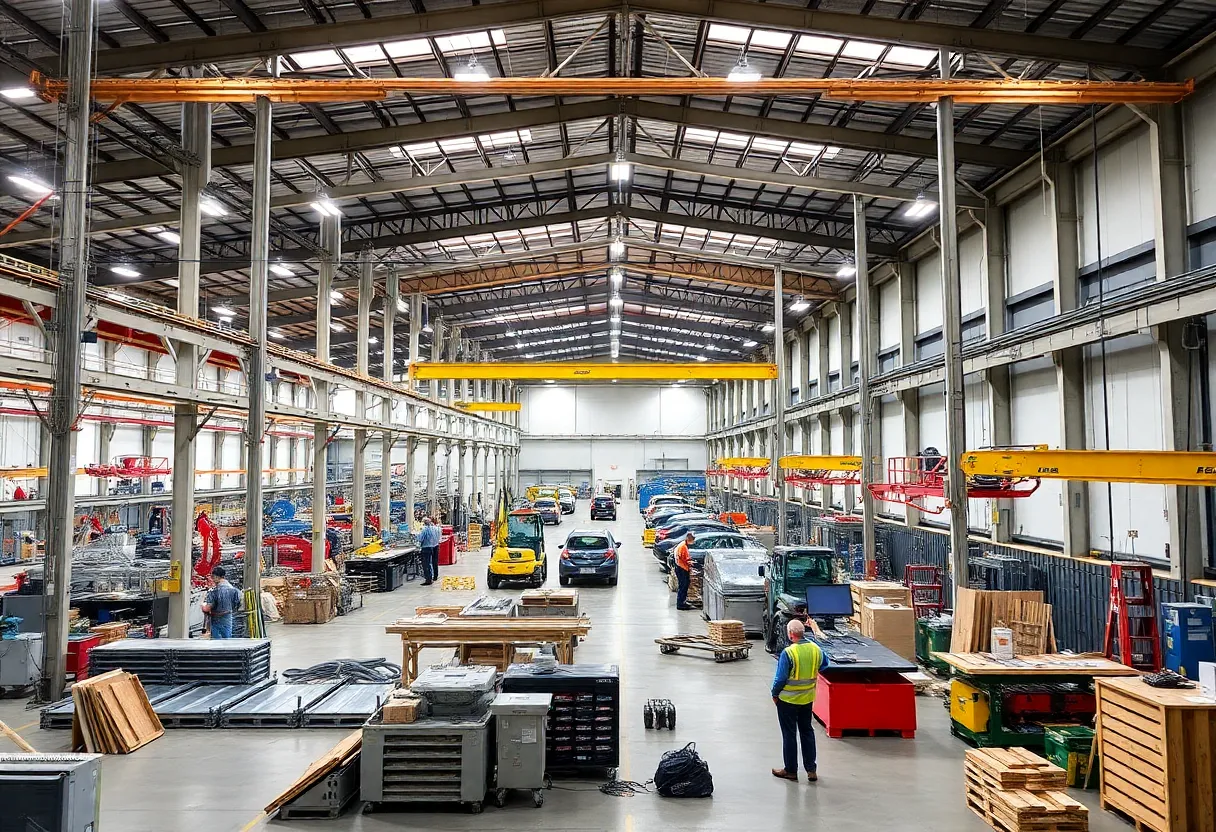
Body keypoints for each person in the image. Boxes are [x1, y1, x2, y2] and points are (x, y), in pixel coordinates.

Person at [770, 618, 830, 783]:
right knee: (807, 731)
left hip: (787, 701)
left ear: (790, 634)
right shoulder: (816, 649)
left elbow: (780, 679)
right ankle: (811, 769)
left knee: (789, 734)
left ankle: (791, 770)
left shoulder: (789, 653)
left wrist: (775, 694)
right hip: (807, 699)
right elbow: (825, 664)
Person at [203, 566, 243, 640]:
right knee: (227, 639)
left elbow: (207, 608)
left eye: (213, 577)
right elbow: (239, 603)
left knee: (217, 642)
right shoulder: (234, 590)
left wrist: (203, 606)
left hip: (216, 619)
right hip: (228, 618)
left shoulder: (214, 591)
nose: (212, 579)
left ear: (216, 577)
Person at [673, 532, 694, 611]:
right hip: (682, 568)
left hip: (680, 567)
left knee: (683, 585)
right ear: (689, 539)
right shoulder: (683, 547)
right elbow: (686, 559)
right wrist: (691, 563)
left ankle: (682, 601)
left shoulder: (682, 545)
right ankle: (681, 604)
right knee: (683, 585)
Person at [417, 516, 441, 585]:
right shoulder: (436, 528)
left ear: (424, 523)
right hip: (435, 546)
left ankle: (428, 579)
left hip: (426, 547)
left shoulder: (424, 530)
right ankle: (435, 576)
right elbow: (439, 538)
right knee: (434, 562)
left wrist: (417, 537)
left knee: (426, 564)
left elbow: (420, 539)